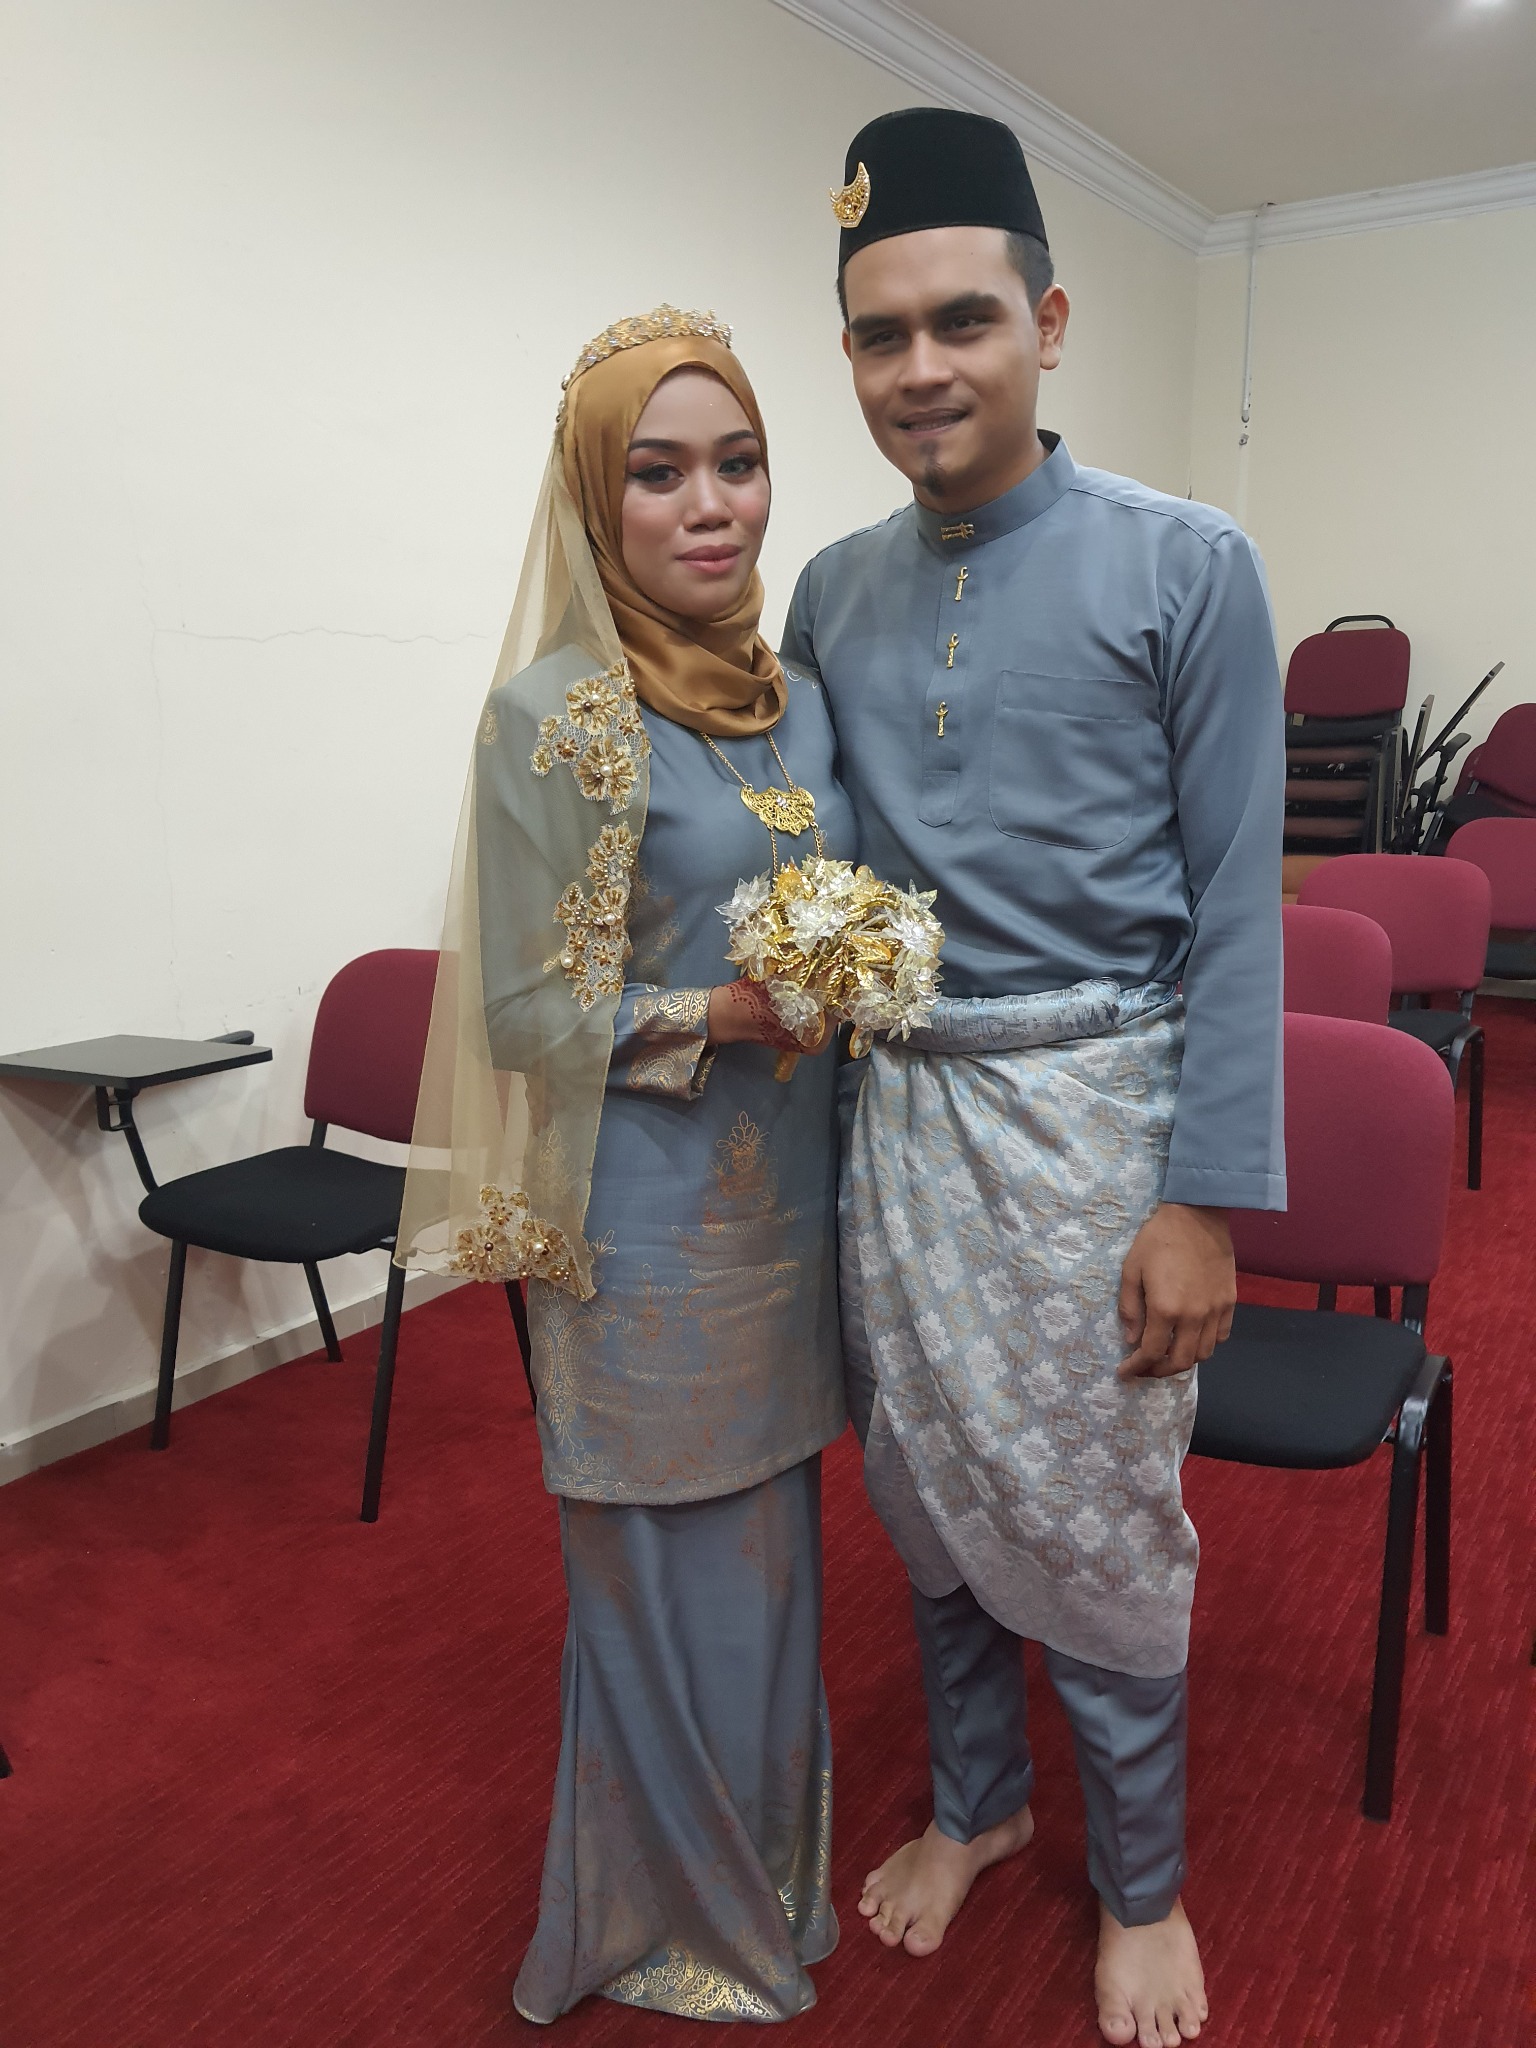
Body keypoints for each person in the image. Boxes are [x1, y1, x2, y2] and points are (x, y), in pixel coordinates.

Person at [782, 110, 1286, 2048]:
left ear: (1048, 324)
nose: (922, 368)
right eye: (880, 333)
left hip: (1100, 1122)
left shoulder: (1189, 562)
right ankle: (981, 1803)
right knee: (925, 1482)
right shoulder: (831, 589)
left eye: (964, 320)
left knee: (1099, 1513)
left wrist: (1201, 1197)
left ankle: (1141, 1883)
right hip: (901, 1122)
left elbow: (1238, 901)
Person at [397, 308, 854, 2022]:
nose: (709, 506)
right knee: (662, 1579)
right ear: (597, 497)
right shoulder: (553, 718)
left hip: (790, 1211)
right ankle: (671, 1918)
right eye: (658, 473)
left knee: (770, 1563)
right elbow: (517, 1013)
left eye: (738, 463)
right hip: (644, 1236)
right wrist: (718, 1011)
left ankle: (768, 1889)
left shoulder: (797, 700)